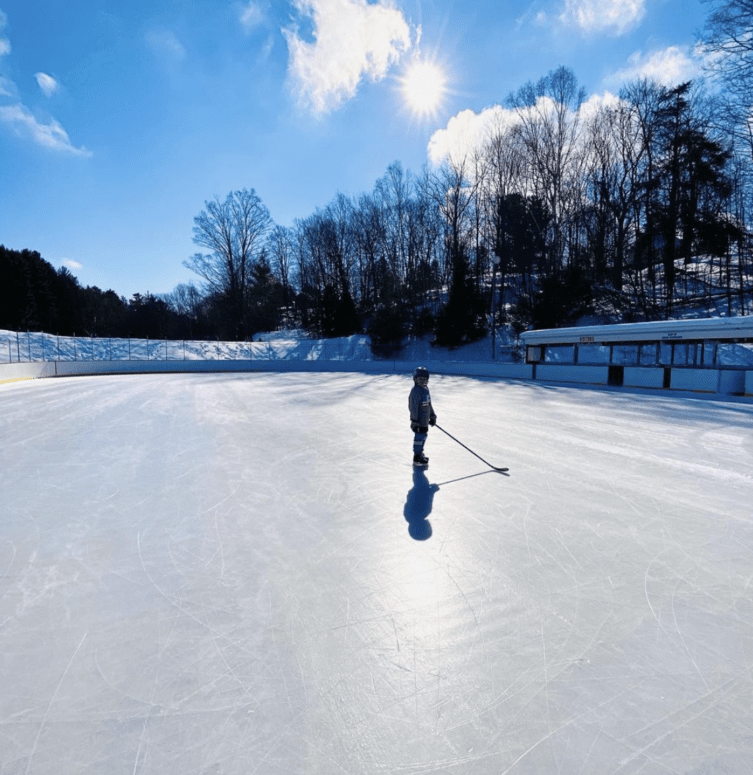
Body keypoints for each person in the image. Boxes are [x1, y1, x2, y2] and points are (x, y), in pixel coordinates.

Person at [408, 366, 436, 466]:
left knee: (423, 436)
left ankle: (420, 453)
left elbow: (429, 404)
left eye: (425, 379)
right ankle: (417, 456)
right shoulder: (416, 391)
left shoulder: (426, 389)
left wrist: (432, 416)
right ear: (415, 379)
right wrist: (414, 420)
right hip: (418, 421)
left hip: (424, 420)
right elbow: (413, 407)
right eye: (420, 379)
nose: (423, 381)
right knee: (419, 438)